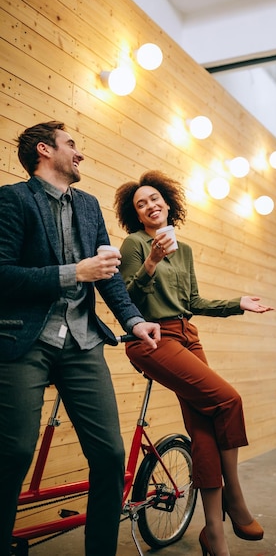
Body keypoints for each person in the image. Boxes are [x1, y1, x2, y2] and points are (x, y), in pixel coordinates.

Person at [0, 121, 160, 556]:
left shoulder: (88, 206)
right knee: (12, 454)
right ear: (44, 150)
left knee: (109, 456)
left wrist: (134, 321)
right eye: (71, 144)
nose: (80, 153)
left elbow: (107, 276)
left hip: (83, 342)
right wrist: (74, 273)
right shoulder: (11, 200)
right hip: (23, 343)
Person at [114, 170, 274, 556]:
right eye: (141, 204)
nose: (150, 205)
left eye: (155, 199)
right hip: (152, 338)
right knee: (229, 400)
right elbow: (127, 298)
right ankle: (235, 500)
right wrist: (151, 260)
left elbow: (194, 303)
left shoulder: (183, 250)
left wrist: (238, 304)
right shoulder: (134, 244)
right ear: (136, 215)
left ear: (168, 203)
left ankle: (213, 534)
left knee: (204, 429)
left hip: (187, 337)